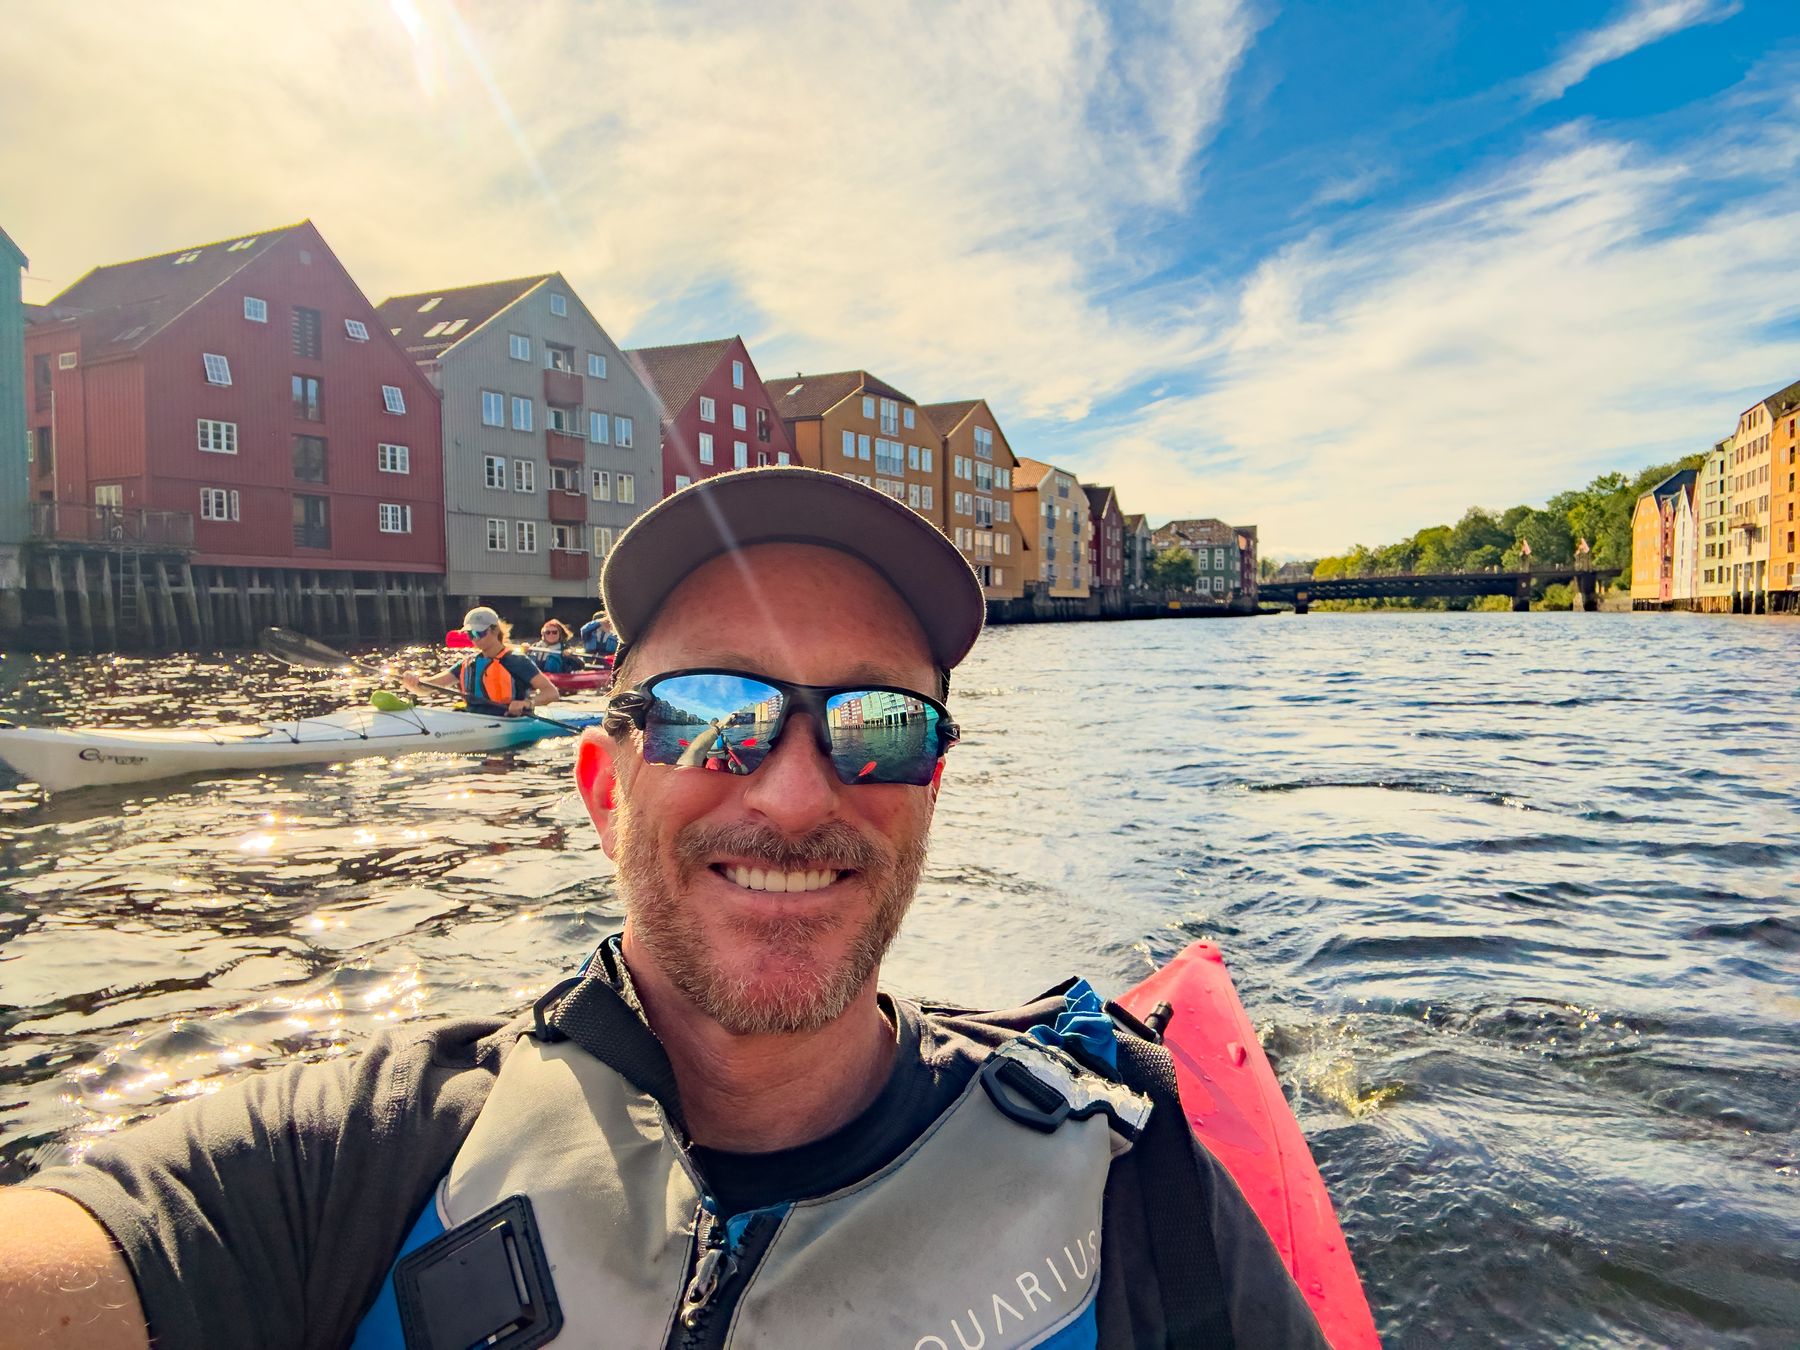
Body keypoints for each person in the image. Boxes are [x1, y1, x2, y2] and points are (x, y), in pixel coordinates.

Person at [0, 468, 1328, 1349]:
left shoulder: (1141, 1191)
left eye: (876, 724)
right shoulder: (361, 1159)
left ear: (931, 784)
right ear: (603, 782)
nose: (801, 792)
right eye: (714, 715)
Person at [401, 605, 560, 717]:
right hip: (475, 719)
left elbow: (552, 693)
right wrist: (414, 682)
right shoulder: (468, 663)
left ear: (495, 630)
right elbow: (428, 687)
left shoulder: (516, 661)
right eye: (470, 634)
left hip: (508, 720)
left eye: (479, 633)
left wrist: (528, 703)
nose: (474, 639)